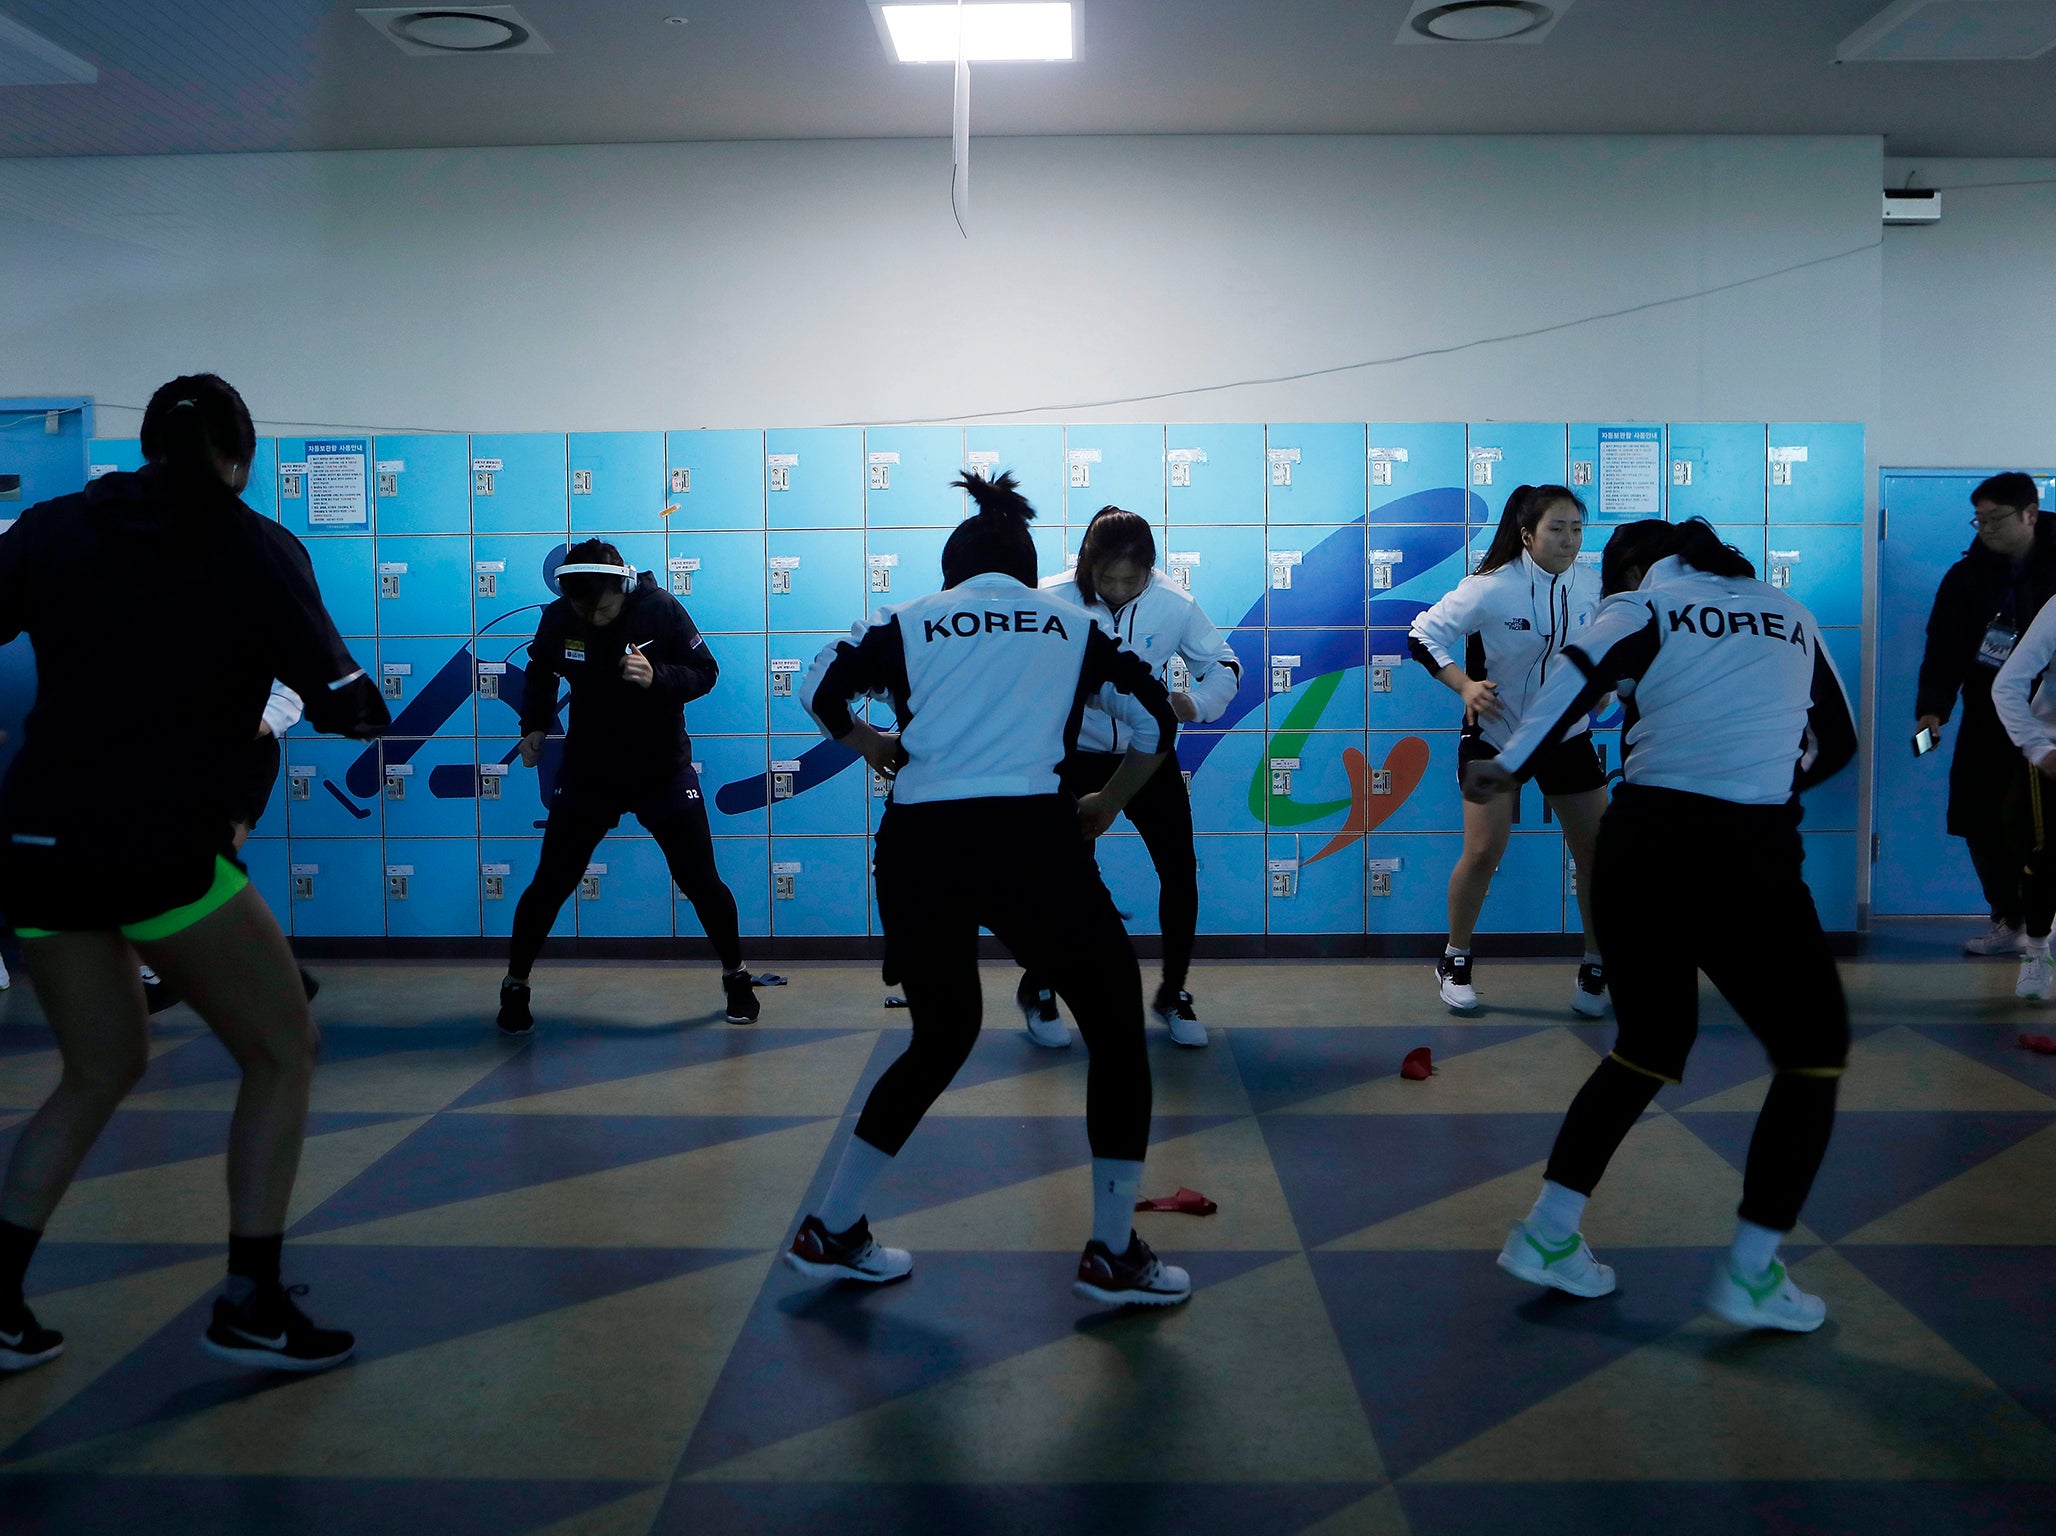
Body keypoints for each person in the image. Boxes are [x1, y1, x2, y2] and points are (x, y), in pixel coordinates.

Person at [0, 374, 389, 1375]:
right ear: (239, 456)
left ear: (146, 447)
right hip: (159, 847)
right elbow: (341, 697)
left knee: (98, 1069)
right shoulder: (254, 545)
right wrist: (362, 708)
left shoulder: (47, 528)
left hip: (41, 843)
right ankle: (251, 1301)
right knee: (282, 1048)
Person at [787, 471, 1191, 1308]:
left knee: (942, 1036)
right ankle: (1113, 1254)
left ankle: (831, 1227)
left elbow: (815, 683)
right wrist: (1106, 803)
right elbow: (1158, 720)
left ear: (953, 570)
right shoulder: (1071, 626)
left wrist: (870, 743)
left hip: (917, 845)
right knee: (1116, 1032)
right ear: (1030, 560)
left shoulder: (909, 622)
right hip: (1030, 843)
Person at [1473, 517, 1856, 1333]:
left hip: (1639, 846)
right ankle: (1752, 1272)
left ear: (1638, 571)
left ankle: (1547, 1231)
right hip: (1747, 853)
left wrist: (1507, 766)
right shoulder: (1789, 613)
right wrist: (1770, 774)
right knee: (1813, 1054)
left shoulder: (1643, 609)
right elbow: (1841, 740)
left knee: (1646, 1048)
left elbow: (1569, 685)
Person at [497, 538, 758, 1033]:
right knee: (551, 882)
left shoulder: (660, 609)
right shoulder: (560, 617)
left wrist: (657, 675)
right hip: (590, 771)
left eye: (602, 607)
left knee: (701, 881)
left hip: (662, 769)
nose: (592, 617)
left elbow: (706, 672)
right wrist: (533, 724)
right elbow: (542, 668)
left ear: (622, 586)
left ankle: (736, 975)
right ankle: (515, 985)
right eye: (581, 607)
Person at [1014, 505, 1242, 1049]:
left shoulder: (1175, 603)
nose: (1117, 589)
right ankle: (1042, 987)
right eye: (1105, 577)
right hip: (1071, 756)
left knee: (1179, 870)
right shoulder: (1050, 600)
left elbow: (1224, 665)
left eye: (1130, 579)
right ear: (1085, 566)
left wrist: (1193, 702)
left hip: (1147, 754)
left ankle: (1173, 993)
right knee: (1064, 880)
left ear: (1150, 570)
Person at [1409, 485, 1609, 1016]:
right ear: (1527, 535)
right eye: (1556, 530)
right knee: (1483, 851)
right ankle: (1454, 958)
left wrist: (1606, 684)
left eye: (1576, 529)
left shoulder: (1592, 585)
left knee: (1598, 854)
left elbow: (1613, 642)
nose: (1569, 541)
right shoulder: (1490, 589)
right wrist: (1464, 686)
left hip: (1566, 738)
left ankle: (1595, 965)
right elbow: (1422, 635)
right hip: (1495, 738)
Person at [1916, 473, 2056, 957]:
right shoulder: (1966, 577)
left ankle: (2045, 922)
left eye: (1995, 519)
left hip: (2050, 720)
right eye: (1979, 519)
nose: (1985, 529)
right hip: (1987, 716)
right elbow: (1944, 648)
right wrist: (1933, 709)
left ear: (2029, 515)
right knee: (1979, 819)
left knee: (2041, 825)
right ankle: (2008, 918)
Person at [140, 681, 318, 1014]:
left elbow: (284, 698)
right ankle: (271, 974)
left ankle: (273, 974)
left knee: (208, 871)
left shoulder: (268, 633)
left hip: (238, 757)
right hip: (177, 757)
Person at [1983, 595, 2056, 1001]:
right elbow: (2007, 684)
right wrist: (2039, 748)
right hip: (2052, 750)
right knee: (2045, 856)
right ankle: (2037, 950)